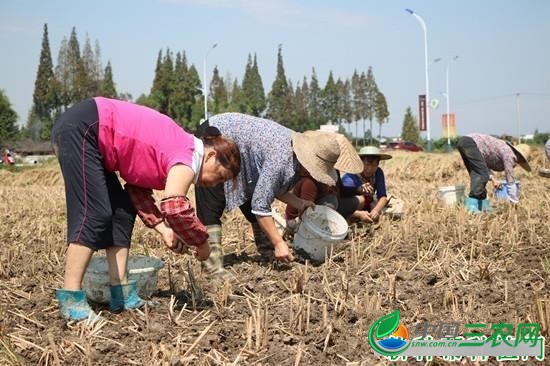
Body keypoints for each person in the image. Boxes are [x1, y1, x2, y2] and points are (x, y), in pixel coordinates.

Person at [51, 97, 240, 321]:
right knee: (94, 213)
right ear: (210, 156)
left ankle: (120, 292)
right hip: (86, 127)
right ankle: (71, 298)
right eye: (219, 176)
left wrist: (165, 230)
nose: (214, 184)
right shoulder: (190, 155)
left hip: (94, 136)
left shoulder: (177, 154)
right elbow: (175, 207)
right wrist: (202, 243)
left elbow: (137, 192)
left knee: (122, 211)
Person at [194, 113, 362, 278]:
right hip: (217, 135)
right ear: (308, 163)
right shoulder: (281, 158)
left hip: (244, 155)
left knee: (253, 195)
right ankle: (212, 268)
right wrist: (279, 242)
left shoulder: (294, 156)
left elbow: (273, 188)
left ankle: (267, 250)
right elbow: (260, 206)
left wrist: (300, 203)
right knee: (212, 204)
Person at [457, 133, 531, 212]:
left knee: (477, 173)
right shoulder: (510, 154)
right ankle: (471, 205)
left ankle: (482, 203)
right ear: (520, 157)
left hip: (464, 142)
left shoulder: (504, 150)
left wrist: (493, 179)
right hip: (471, 143)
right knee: (481, 175)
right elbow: (510, 180)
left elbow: (483, 165)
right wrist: (514, 201)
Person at [338, 146, 392, 223]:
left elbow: (383, 196)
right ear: (360, 162)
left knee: (395, 208)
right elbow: (344, 192)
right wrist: (359, 189)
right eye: (367, 164)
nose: (370, 169)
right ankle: (354, 216)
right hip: (351, 206)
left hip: (368, 205)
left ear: (377, 165)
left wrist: (376, 210)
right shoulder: (351, 176)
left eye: (374, 165)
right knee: (361, 200)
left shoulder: (378, 172)